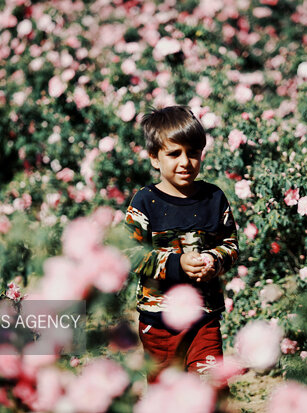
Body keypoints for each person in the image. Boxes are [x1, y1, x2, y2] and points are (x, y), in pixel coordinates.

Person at [124, 105, 239, 382]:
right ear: (155, 158)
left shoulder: (214, 198)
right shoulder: (145, 201)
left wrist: (215, 260)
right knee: (168, 392)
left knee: (212, 388)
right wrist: (177, 264)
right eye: (174, 153)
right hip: (159, 322)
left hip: (204, 318)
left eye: (193, 153)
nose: (185, 162)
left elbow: (231, 244)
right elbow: (131, 254)